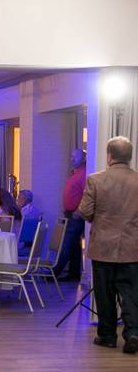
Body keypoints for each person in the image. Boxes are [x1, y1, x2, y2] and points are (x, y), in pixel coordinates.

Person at [79, 137, 138, 354]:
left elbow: (84, 211)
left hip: (103, 246)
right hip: (132, 248)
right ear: (129, 157)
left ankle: (107, 336)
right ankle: (133, 333)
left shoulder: (96, 180)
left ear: (109, 156)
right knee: (131, 294)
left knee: (104, 295)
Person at [52, 148, 87, 281]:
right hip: (70, 214)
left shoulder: (83, 174)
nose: (72, 159)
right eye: (71, 156)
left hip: (75, 216)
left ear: (83, 159)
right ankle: (74, 274)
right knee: (73, 246)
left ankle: (54, 273)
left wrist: (78, 211)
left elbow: (87, 194)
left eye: (75, 157)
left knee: (66, 244)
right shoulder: (74, 173)